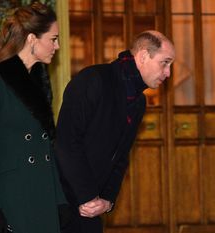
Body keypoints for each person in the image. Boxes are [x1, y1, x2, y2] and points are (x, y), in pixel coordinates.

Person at [55, 30, 175, 233]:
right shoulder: (93, 80)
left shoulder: (138, 101)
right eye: (165, 62)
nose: (168, 73)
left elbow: (121, 156)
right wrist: (88, 197)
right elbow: (67, 143)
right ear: (144, 56)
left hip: (92, 207)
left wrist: (107, 200)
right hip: (62, 203)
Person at [0, 2, 71, 233]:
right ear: (32, 39)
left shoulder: (39, 81)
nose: (57, 46)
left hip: (42, 195)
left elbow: (46, 146)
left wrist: (59, 199)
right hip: (12, 198)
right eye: (53, 39)